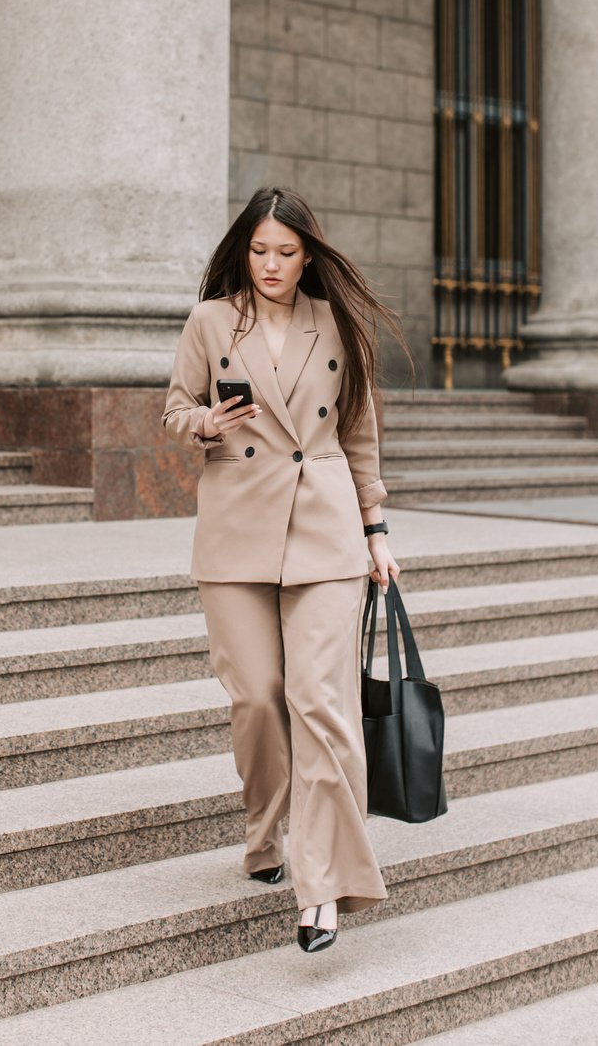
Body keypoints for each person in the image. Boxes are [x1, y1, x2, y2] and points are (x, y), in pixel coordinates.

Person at [162, 185, 410, 954]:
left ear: (309, 254)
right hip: (235, 530)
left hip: (326, 529)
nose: (271, 264)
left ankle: (323, 886)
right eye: (260, 249)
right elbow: (174, 409)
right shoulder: (210, 322)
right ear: (244, 249)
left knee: (321, 701)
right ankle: (264, 833)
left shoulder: (338, 324)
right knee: (260, 700)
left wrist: (375, 531)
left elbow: (359, 436)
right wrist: (203, 420)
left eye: (286, 251)